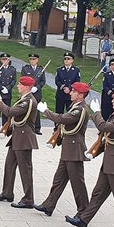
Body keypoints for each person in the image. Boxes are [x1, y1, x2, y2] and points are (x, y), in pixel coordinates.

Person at [66, 89, 114, 227]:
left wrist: (97, 112)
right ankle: (83, 220)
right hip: (110, 161)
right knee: (98, 193)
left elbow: (104, 128)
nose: (112, 101)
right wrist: (93, 152)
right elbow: (108, 139)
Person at [34, 82, 90, 216]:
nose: (70, 93)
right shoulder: (75, 106)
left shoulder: (80, 109)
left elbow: (62, 118)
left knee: (77, 184)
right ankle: (49, 205)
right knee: (58, 180)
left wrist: (45, 111)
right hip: (69, 149)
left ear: (81, 95)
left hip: (74, 150)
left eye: (73, 91)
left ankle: (84, 212)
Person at [0, 76, 38, 206]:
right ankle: (7, 192)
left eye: (20, 84)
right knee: (9, 166)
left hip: (24, 138)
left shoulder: (28, 101)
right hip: (18, 137)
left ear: (27, 87)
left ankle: (28, 199)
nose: (18, 86)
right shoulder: (24, 99)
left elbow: (10, 112)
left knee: (25, 170)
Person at [20, 53, 46, 135]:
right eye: (31, 59)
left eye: (34, 59)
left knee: (36, 110)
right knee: (26, 109)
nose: (32, 61)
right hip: (27, 92)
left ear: (37, 60)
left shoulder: (40, 69)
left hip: (37, 92)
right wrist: (29, 88)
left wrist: (37, 87)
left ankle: (37, 128)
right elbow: (22, 80)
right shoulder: (25, 69)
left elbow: (43, 81)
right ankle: (26, 126)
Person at [0, 53, 17, 133]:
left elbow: (14, 80)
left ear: (9, 60)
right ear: (1, 60)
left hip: (7, 93)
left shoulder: (12, 69)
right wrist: (1, 87)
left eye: (6, 59)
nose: (5, 61)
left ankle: (5, 127)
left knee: (6, 111)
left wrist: (8, 88)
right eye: (3, 59)